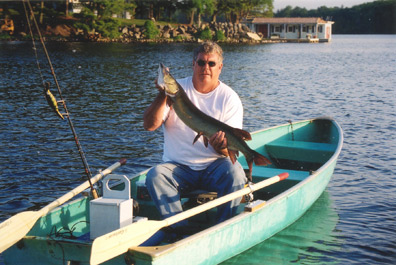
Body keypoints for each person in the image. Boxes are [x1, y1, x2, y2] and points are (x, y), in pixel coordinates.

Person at [143, 41, 247, 226]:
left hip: (214, 167)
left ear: (220, 67)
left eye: (211, 64)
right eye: (201, 63)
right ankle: (178, 228)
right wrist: (163, 94)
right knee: (155, 176)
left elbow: (228, 153)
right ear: (193, 64)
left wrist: (220, 146)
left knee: (236, 173)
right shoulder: (176, 91)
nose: (205, 68)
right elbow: (150, 126)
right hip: (177, 168)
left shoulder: (229, 98)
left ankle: (224, 226)